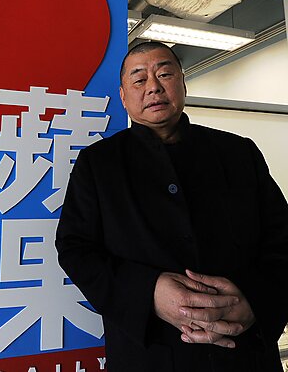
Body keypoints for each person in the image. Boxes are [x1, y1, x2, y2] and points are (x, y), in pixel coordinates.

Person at [56, 41, 288, 372]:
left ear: (182, 83)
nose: (153, 86)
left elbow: (281, 239)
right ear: (123, 97)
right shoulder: (98, 164)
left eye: (165, 74)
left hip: (245, 353)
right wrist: (148, 293)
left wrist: (254, 301)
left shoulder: (239, 153)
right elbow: (75, 249)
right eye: (139, 79)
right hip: (149, 355)